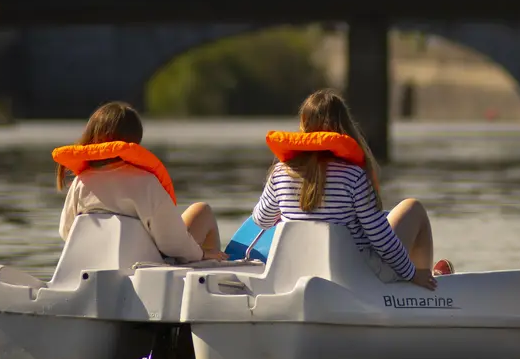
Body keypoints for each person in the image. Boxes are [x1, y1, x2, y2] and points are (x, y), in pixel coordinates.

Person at [250, 89, 450, 289]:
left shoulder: (280, 173)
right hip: (355, 275)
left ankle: (420, 278)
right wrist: (410, 272)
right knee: (413, 208)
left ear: (303, 124)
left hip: (298, 269)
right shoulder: (353, 175)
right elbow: (379, 237)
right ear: (343, 126)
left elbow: (262, 220)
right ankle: (423, 283)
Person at [52, 101, 224, 263]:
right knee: (202, 211)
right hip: (145, 269)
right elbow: (173, 244)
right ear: (135, 142)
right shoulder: (146, 183)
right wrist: (202, 254)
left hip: (92, 268)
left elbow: (67, 233)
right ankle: (211, 275)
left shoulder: (80, 183)